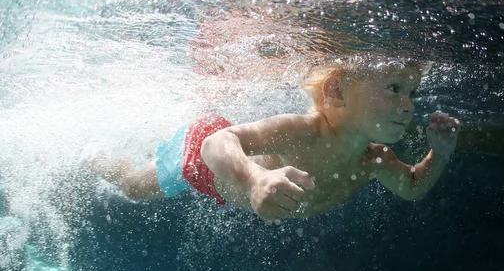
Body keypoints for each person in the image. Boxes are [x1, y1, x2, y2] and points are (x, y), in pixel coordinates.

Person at [86, 56, 460, 221]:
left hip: (232, 182)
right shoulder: (301, 130)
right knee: (134, 186)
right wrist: (254, 179)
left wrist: (438, 154)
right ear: (337, 90)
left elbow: (412, 186)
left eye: (412, 93)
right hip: (207, 159)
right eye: (394, 88)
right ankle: (92, 158)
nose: (408, 105)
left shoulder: (374, 159)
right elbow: (215, 143)